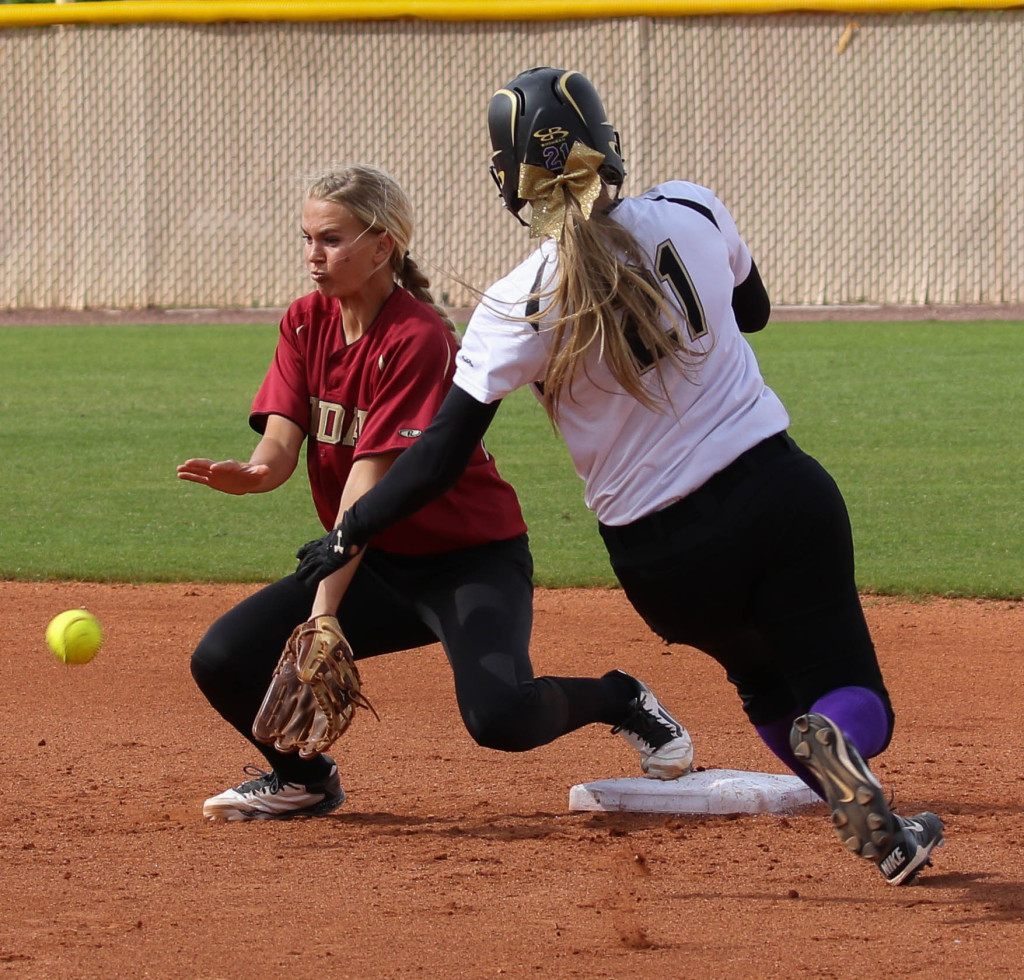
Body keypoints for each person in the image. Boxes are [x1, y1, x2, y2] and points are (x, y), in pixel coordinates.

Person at [293, 72, 945, 886]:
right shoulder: (689, 207)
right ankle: (844, 743)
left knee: (759, 678)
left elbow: (440, 453)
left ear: (509, 180)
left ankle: (882, 836)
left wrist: (349, 531)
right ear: (606, 142)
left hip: (660, 562)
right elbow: (754, 312)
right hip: (774, 494)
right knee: (847, 690)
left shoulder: (515, 302)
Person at [177, 163, 694, 822]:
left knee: (501, 717)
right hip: (378, 566)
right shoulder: (305, 323)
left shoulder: (417, 338)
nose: (313, 255)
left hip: (468, 560)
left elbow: (369, 484)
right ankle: (302, 779)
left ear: (382, 245)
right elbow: (281, 445)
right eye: (307, 238)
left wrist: (324, 614)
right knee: (222, 658)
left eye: (331, 239)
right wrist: (254, 474)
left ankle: (620, 699)